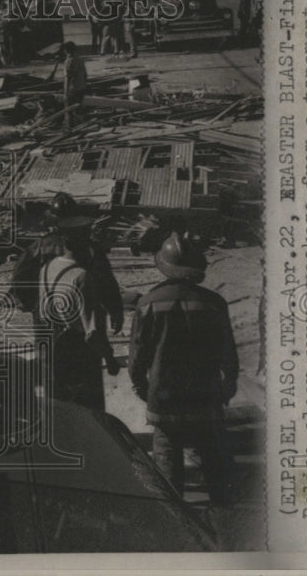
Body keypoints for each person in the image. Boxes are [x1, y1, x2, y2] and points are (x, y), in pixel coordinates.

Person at [128, 232, 239, 504]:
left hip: (164, 398)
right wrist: (226, 388)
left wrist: (143, 388)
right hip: (205, 397)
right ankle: (224, 517)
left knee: (167, 464)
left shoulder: (148, 303)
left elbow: (137, 357)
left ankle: (174, 519)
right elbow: (228, 353)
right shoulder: (213, 304)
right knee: (214, 461)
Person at [37, 216, 119, 411]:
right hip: (80, 352)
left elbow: (43, 312)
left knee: (61, 409)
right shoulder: (82, 276)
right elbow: (92, 333)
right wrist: (109, 358)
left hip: (56, 345)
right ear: (85, 245)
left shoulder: (46, 268)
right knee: (88, 414)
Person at [58, 41, 86, 130]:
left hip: (72, 89)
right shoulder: (80, 59)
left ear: (66, 50)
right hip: (81, 87)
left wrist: (65, 93)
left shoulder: (69, 61)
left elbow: (68, 78)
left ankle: (70, 128)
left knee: (69, 110)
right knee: (79, 109)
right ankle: (80, 126)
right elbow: (85, 74)